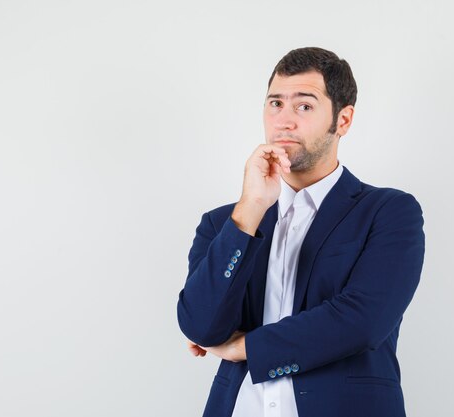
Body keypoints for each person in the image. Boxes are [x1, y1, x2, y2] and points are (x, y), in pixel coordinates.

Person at [177, 47, 425, 417]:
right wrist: (249, 211)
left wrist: (243, 347)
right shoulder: (224, 223)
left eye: (304, 106)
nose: (284, 121)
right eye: (275, 103)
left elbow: (361, 322)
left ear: (343, 120)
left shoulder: (389, 212)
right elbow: (199, 324)